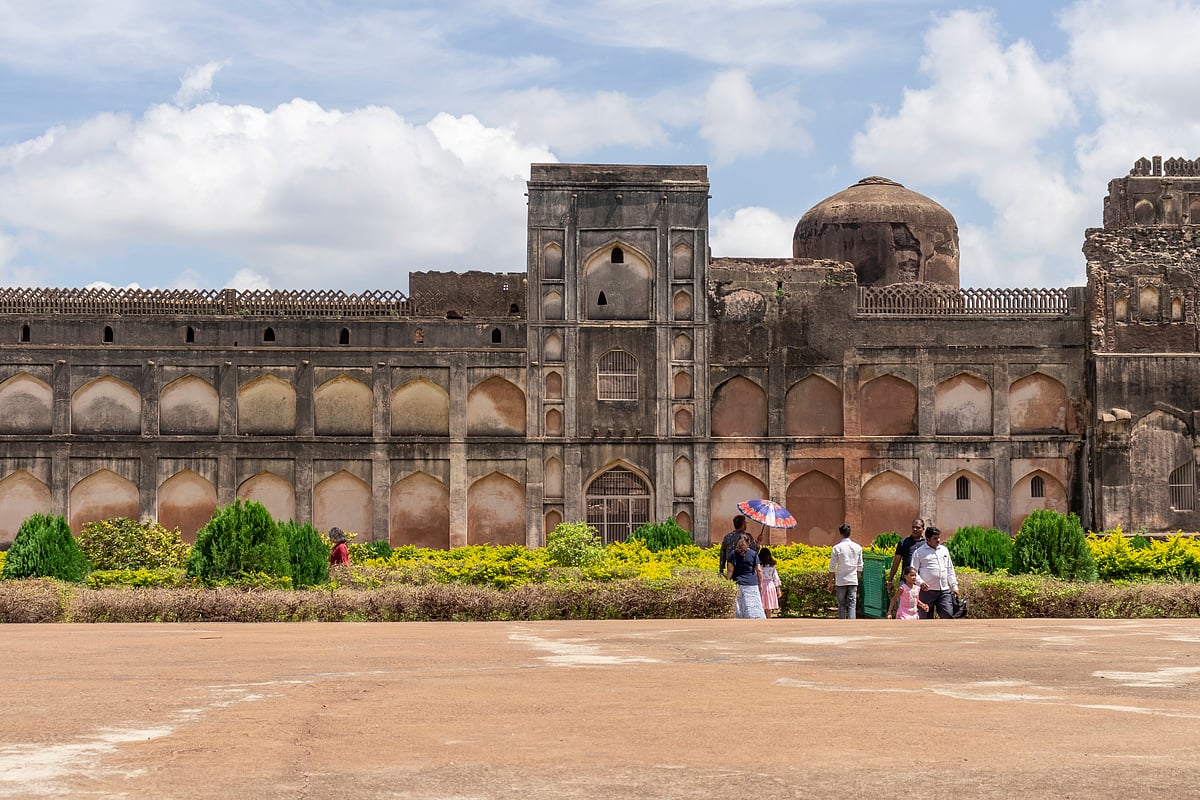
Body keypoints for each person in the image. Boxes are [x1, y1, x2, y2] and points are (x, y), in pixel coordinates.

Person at [910, 526, 959, 619]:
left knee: (948, 615)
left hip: (944, 590)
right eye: (935, 538)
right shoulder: (918, 553)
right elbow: (913, 572)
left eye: (939, 538)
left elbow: (949, 569)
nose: (938, 540)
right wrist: (921, 583)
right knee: (926, 618)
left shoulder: (944, 550)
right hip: (927, 592)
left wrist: (954, 586)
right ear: (927, 539)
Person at [827, 523, 863, 619]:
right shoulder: (858, 547)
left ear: (841, 533)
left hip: (841, 579)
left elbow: (832, 567)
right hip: (852, 579)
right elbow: (860, 566)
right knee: (852, 604)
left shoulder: (837, 548)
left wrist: (830, 583)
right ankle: (852, 624)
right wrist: (857, 579)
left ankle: (842, 623)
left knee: (841, 604)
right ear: (849, 533)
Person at [725, 535, 766, 619]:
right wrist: (760, 583)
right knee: (754, 606)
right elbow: (759, 570)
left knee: (740, 607)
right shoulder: (753, 554)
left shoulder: (733, 554)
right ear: (749, 543)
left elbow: (730, 571)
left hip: (738, 583)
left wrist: (727, 583)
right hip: (752, 584)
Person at [887, 518, 926, 589]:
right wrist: (890, 580)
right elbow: (896, 562)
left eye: (918, 527)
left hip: (922, 583)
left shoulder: (926, 544)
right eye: (913, 527)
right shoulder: (903, 542)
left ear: (923, 529)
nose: (915, 529)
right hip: (906, 582)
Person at [758, 547, 782, 618]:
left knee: (761, 603)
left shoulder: (759, 566)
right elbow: (776, 578)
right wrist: (778, 590)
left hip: (761, 585)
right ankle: (769, 618)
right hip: (770, 586)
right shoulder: (772, 566)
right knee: (768, 605)